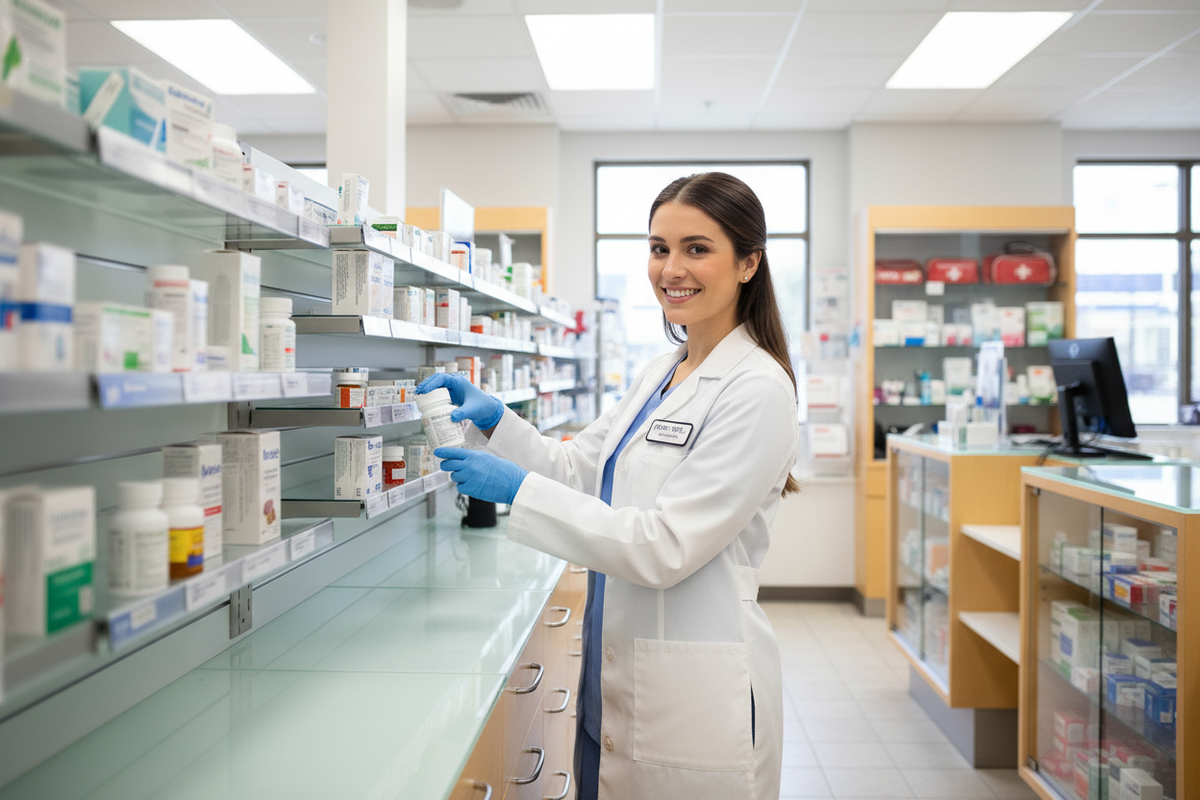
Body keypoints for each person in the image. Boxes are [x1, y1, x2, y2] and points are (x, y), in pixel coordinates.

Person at [417, 172, 799, 800]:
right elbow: (581, 469)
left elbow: (664, 546)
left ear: (748, 263)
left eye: (696, 249)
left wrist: (517, 489)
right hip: (615, 675)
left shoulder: (757, 389)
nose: (671, 268)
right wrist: (498, 422)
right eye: (659, 248)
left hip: (691, 695)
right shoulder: (662, 372)